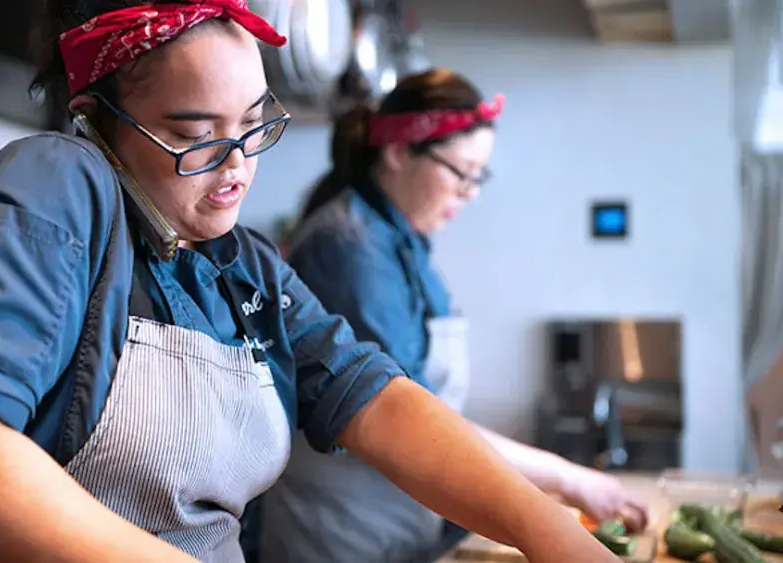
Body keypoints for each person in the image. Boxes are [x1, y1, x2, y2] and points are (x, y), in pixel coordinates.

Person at [0, 1, 624, 561]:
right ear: (98, 119)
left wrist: (544, 525)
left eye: (254, 125)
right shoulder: (55, 188)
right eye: (198, 137)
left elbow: (375, 398)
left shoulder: (242, 264)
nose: (237, 167)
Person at [258, 69, 650, 563]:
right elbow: (405, 410)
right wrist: (565, 480)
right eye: (461, 171)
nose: (471, 192)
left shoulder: (402, 241)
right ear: (399, 152)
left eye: (478, 176)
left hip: (393, 514)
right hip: (341, 527)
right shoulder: (349, 249)